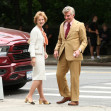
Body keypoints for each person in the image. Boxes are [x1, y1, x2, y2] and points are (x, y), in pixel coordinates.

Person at [54, 6, 87, 106]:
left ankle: (75, 99)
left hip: (75, 55)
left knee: (74, 78)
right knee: (59, 74)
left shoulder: (80, 25)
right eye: (65, 16)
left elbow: (84, 41)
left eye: (68, 16)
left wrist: (79, 50)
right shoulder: (62, 25)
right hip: (63, 53)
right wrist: (56, 49)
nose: (66, 18)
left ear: (73, 15)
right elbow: (60, 40)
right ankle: (67, 95)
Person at [25, 11, 51, 105]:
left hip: (40, 55)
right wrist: (33, 57)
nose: (41, 21)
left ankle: (42, 97)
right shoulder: (35, 30)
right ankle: (29, 95)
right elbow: (32, 45)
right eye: (39, 20)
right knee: (38, 77)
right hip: (36, 56)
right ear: (36, 20)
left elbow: (41, 44)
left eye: (42, 19)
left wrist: (45, 52)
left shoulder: (41, 30)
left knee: (40, 77)